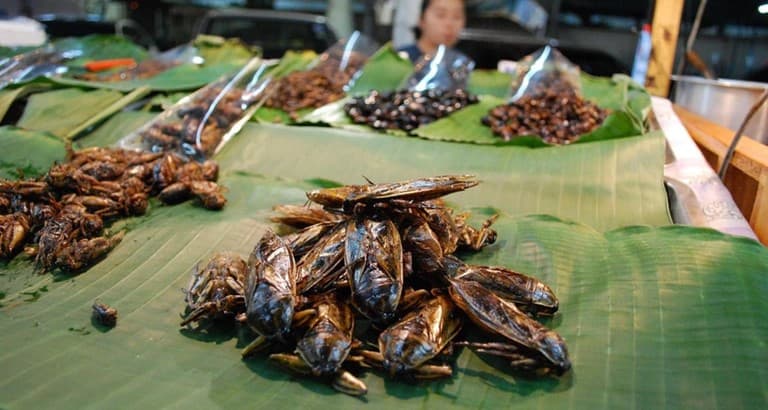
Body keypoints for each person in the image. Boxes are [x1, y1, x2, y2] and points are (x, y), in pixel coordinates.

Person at [396, 0, 467, 63]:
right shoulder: (400, 59)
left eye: (457, 16)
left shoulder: (461, 63)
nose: (449, 23)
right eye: (441, 15)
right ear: (421, 19)